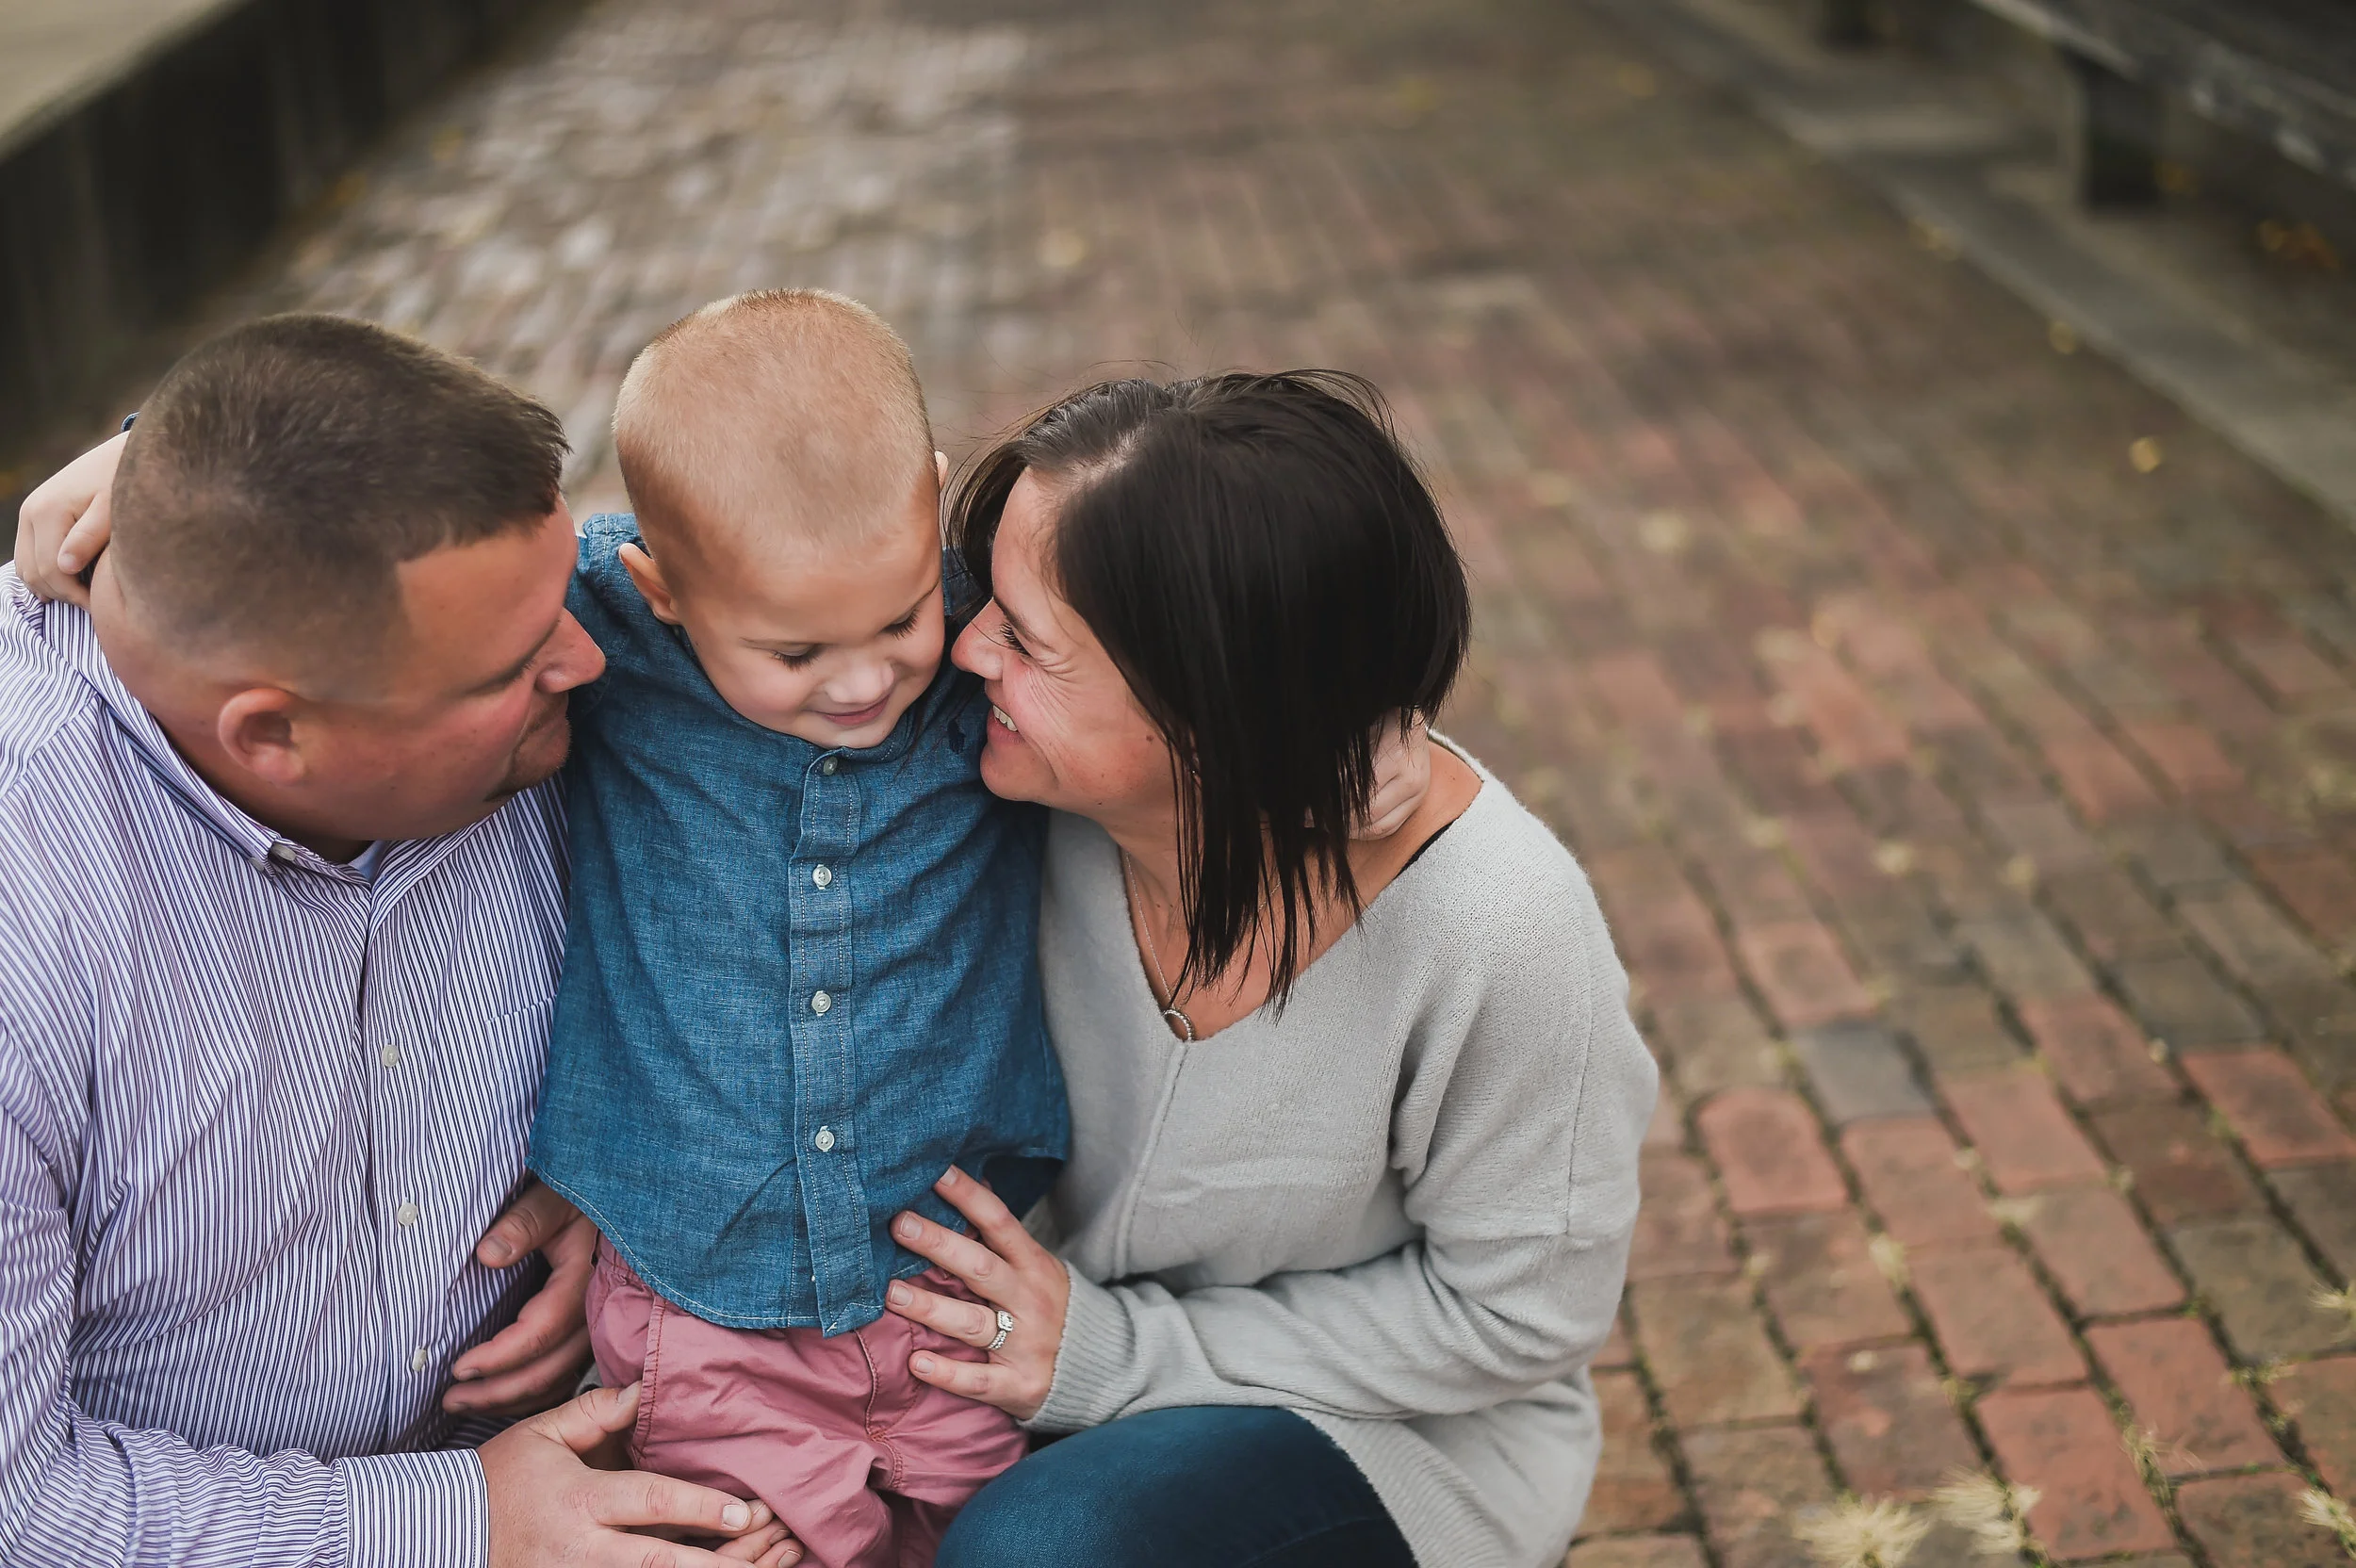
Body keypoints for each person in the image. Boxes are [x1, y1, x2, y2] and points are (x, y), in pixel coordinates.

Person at [3, 315, 793, 1568]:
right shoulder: (31, 921)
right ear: (273, 735)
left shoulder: (448, 640)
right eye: (513, 667)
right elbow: (20, 1506)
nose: (590, 658)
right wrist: (464, 1520)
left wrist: (615, 1161)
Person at [864, 371, 1658, 1568]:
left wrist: (1111, 1350)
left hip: (1387, 1427)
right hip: (1015, 1372)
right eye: (983, 601)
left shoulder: (1499, 927)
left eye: (1025, 638)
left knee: (1046, 1551)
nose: (964, 646)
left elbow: (1516, 1314)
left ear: (1209, 712)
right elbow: (700, 578)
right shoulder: (1002, 781)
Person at [529, 288, 1069, 1568]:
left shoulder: (988, 626)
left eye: (897, 620)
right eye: (794, 652)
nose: (865, 678)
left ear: (928, 497)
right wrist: (122, 467)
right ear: (662, 589)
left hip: (949, 1286)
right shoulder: (609, 627)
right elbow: (372, 535)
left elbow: (1190, 619)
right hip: (702, 1305)